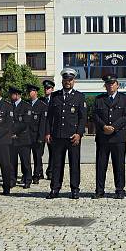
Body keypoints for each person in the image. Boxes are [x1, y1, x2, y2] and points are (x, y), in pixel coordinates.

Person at [45, 68, 86, 199]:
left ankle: (75, 189)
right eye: (66, 80)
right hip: (57, 136)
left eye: (70, 80)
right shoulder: (55, 96)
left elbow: (82, 118)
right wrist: (47, 133)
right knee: (57, 164)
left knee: (74, 164)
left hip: (73, 137)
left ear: (74, 81)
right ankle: (55, 188)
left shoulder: (79, 97)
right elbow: (49, 117)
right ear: (62, 81)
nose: (68, 82)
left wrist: (79, 134)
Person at [93, 73, 126, 199]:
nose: (110, 86)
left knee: (119, 164)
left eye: (112, 84)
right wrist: (104, 126)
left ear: (117, 85)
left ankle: (120, 189)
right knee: (101, 164)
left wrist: (114, 127)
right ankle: (99, 190)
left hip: (118, 137)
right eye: (108, 84)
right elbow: (95, 116)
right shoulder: (99, 99)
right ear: (105, 86)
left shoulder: (125, 99)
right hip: (103, 136)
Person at [9, 86, 32, 189]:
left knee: (25, 162)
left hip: (23, 139)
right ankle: (12, 180)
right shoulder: (10, 106)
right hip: (12, 140)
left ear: (17, 95)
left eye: (12, 94)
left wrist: (14, 132)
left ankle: (27, 180)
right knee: (12, 162)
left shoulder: (26, 106)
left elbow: (25, 123)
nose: (11, 96)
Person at [27, 83, 47, 184]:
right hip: (27, 136)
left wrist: (41, 137)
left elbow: (43, 123)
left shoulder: (42, 105)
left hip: (37, 136)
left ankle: (37, 175)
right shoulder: (27, 104)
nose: (29, 93)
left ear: (35, 92)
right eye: (28, 91)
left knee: (37, 157)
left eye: (31, 91)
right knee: (27, 157)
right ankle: (27, 175)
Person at [42, 79, 55, 180]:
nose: (46, 90)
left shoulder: (55, 100)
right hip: (41, 130)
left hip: (51, 130)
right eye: (45, 88)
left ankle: (50, 171)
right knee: (39, 153)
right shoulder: (41, 101)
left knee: (52, 152)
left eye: (48, 88)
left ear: (52, 89)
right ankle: (38, 172)